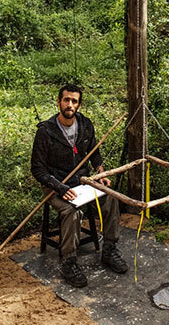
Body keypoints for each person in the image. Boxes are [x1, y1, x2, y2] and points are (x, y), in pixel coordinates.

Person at [31, 84, 128, 287]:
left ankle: (109, 250)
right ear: (58, 102)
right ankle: (69, 262)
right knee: (71, 211)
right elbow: (38, 169)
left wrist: (101, 173)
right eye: (66, 100)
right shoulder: (46, 132)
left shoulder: (85, 125)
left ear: (79, 104)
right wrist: (59, 187)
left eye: (74, 101)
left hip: (83, 182)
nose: (70, 104)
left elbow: (95, 154)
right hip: (57, 186)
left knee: (110, 196)